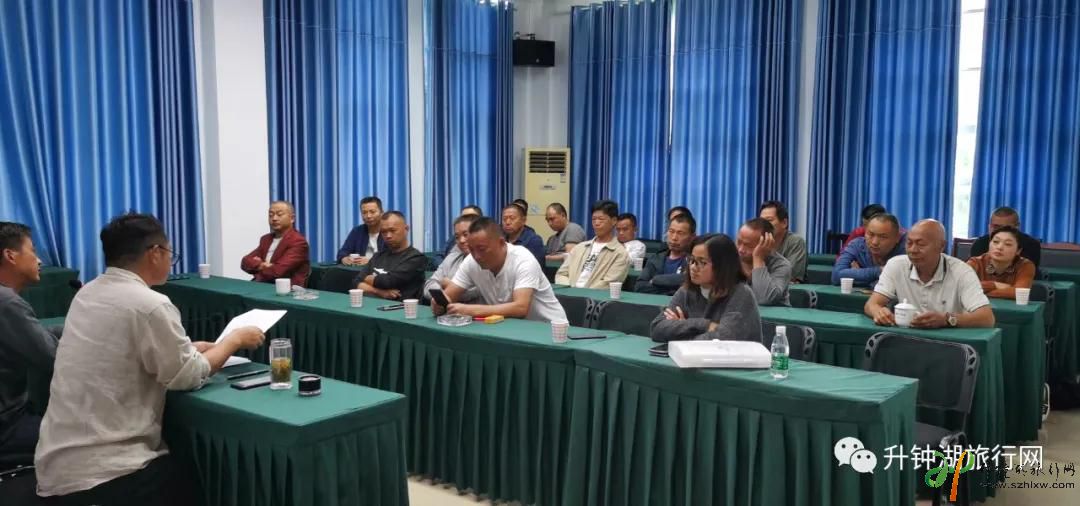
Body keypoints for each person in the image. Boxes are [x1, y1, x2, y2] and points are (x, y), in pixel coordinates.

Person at [35, 213, 265, 505]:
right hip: (109, 472)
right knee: (202, 478)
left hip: (55, 466)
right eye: (170, 253)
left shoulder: (88, 293)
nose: (170, 260)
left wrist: (188, 348)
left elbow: (120, 349)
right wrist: (234, 340)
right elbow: (187, 376)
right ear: (155, 253)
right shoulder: (150, 304)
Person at [0, 222, 60, 466]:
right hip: (7, 427)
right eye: (33, 251)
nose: (39, 260)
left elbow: (33, 335)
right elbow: (53, 358)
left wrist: (75, 328)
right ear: (10, 255)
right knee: (84, 438)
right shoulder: (6, 303)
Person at [431, 218, 567, 322]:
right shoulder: (471, 261)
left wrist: (471, 310)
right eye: (472, 250)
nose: (476, 256)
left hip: (550, 329)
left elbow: (520, 308)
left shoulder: (523, 259)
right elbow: (449, 294)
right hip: (511, 329)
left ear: (501, 243)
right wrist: (439, 304)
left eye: (482, 249)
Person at [865, 220, 995, 329]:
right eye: (909, 243)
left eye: (920, 244)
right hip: (907, 339)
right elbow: (871, 304)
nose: (913, 250)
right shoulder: (896, 265)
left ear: (941, 246)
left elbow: (987, 318)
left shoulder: (962, 271)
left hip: (950, 343)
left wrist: (946, 319)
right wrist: (879, 312)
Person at [650, 234, 762, 343]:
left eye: (702, 262)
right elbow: (657, 328)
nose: (693, 267)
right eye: (692, 260)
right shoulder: (687, 291)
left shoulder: (741, 294)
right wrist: (705, 325)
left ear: (722, 266)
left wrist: (680, 330)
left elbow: (723, 339)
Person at [353, 211, 427, 301]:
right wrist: (379, 292)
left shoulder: (416, 258)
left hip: (401, 308)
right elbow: (356, 283)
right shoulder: (378, 256)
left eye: (393, 230)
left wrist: (368, 279)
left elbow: (388, 282)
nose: (388, 236)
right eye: (383, 232)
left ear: (406, 229)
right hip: (370, 305)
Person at [555, 200, 629, 288]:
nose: (596, 223)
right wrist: (569, 290)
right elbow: (561, 274)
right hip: (569, 292)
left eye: (601, 219)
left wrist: (582, 293)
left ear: (614, 221)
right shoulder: (579, 248)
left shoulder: (620, 254)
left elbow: (608, 284)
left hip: (593, 296)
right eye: (594, 219)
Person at [240, 201, 311, 287]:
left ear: (292, 218)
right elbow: (245, 262)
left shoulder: (298, 242)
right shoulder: (265, 239)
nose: (274, 218)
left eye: (279, 214)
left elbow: (277, 272)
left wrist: (258, 267)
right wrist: (262, 265)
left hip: (286, 289)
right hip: (262, 285)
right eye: (271, 215)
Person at [832, 213, 906, 287]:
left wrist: (859, 275)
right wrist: (879, 271)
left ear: (897, 238)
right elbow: (836, 276)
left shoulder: (906, 250)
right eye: (871, 234)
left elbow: (901, 286)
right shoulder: (857, 245)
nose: (874, 242)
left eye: (883, 237)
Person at [966, 226, 1036, 299]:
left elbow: (1019, 293)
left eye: (1008, 244)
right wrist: (994, 285)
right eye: (996, 242)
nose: (999, 247)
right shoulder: (975, 262)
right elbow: (963, 287)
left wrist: (978, 291)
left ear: (1018, 251)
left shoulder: (1025, 265)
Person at [424, 214, 480, 304]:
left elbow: (478, 292)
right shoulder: (452, 257)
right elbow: (429, 285)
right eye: (457, 237)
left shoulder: (485, 262)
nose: (461, 240)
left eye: (465, 235)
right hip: (449, 311)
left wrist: (449, 286)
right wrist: (443, 295)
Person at [736, 218, 793, 307]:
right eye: (739, 242)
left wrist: (758, 259)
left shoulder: (781, 265)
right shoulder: (731, 258)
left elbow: (764, 299)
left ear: (767, 244)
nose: (741, 249)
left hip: (773, 315)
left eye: (748, 245)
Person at [635, 214, 695, 295]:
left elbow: (688, 282)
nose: (674, 238)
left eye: (680, 233)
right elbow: (640, 287)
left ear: (692, 237)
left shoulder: (694, 260)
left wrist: (656, 280)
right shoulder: (656, 258)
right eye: (671, 231)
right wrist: (671, 289)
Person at [969, 207, 1042, 267]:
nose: (1000, 232)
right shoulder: (979, 244)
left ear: (1017, 227)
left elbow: (1028, 273)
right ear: (989, 226)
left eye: (1006, 228)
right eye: (996, 227)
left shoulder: (1031, 245)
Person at [759, 200, 807, 282]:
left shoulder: (796, 242)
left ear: (784, 223)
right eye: (761, 221)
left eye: (769, 220)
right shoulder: (757, 240)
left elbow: (790, 275)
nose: (764, 224)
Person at [336, 196, 385, 265]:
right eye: (364, 213)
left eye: (372, 212)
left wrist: (371, 261)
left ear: (382, 213)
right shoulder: (357, 231)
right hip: (360, 270)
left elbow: (393, 258)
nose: (368, 216)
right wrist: (344, 258)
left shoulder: (389, 231)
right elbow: (343, 252)